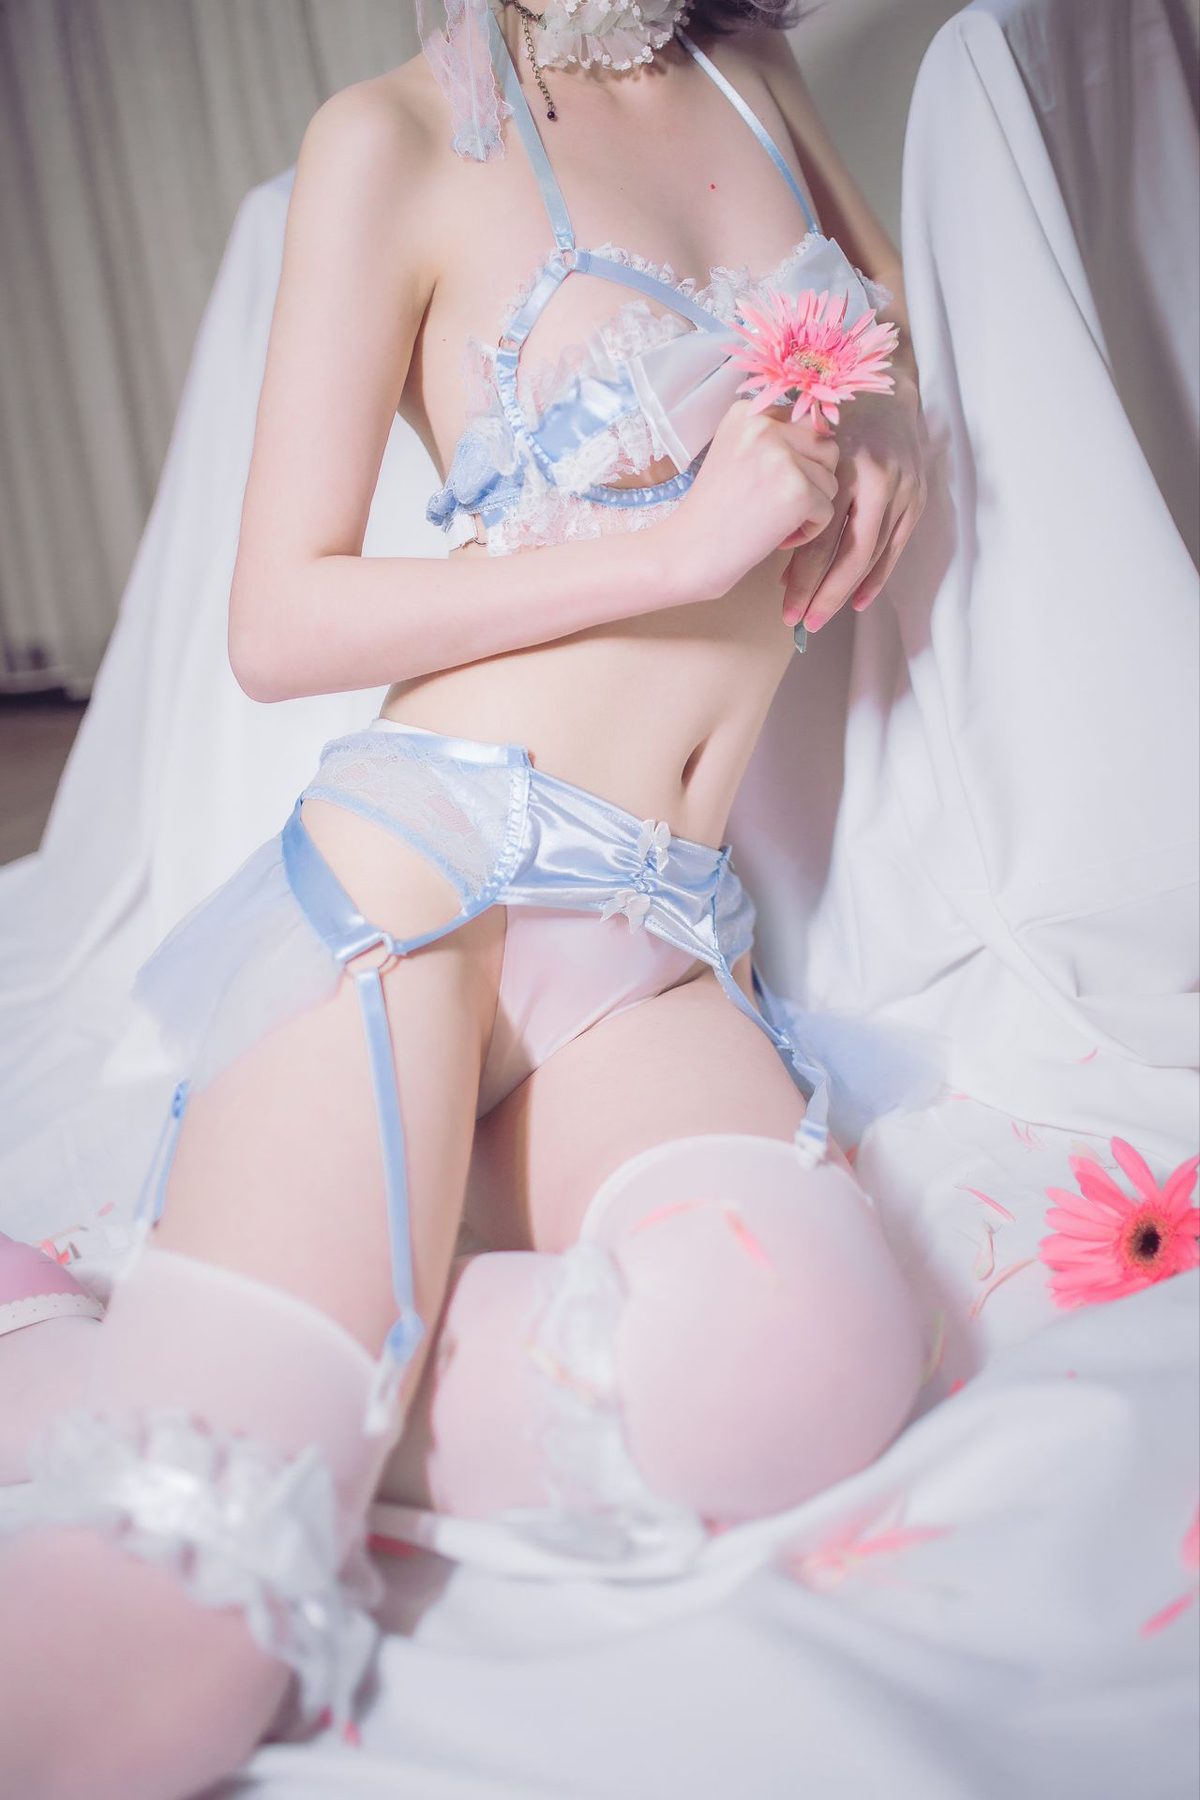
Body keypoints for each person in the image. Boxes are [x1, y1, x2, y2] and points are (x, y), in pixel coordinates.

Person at [0, 0, 931, 1790]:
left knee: (805, 1359)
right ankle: (65, 1364)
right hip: (430, 875)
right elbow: (280, 619)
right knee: (187, 1613)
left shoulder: (746, 67)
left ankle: (209, 1340)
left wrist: (888, 436)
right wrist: (672, 548)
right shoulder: (394, 143)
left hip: (662, 927)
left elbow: (880, 314)